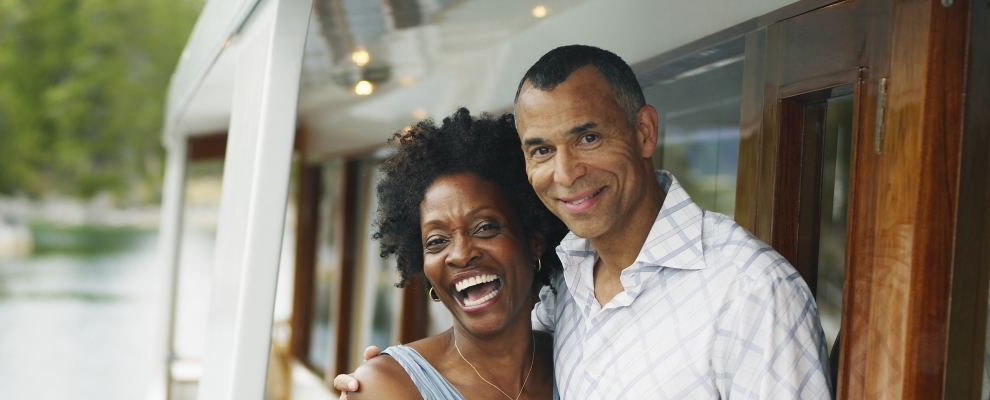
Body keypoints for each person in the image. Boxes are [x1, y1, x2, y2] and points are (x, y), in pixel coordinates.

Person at [337, 45, 831, 399]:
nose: (566, 173)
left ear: (643, 132)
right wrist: (388, 378)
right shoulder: (563, 286)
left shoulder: (751, 291)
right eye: (542, 150)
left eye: (588, 138)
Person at [344, 108, 566, 399]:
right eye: (436, 241)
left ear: (535, 239)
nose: (461, 255)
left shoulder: (572, 359)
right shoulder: (387, 387)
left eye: (485, 227)